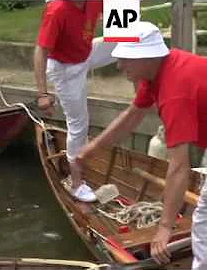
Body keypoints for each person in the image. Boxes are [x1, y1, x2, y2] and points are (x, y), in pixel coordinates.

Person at [76, 21, 207, 269]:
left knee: (204, 222)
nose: (119, 65)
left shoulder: (174, 92)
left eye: (126, 58)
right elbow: (132, 116)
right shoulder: (160, 69)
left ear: (147, 58)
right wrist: (91, 149)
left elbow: (179, 167)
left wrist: (165, 227)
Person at [34, 0, 117, 202]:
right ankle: (76, 183)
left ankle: (143, 84)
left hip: (86, 53)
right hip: (65, 69)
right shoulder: (57, 11)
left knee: (130, 38)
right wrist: (42, 94)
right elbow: (41, 51)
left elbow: (121, 5)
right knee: (79, 124)